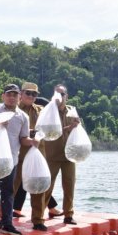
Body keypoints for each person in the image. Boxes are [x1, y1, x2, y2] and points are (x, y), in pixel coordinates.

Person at [0, 84, 38, 235]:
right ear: (3, 96)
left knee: (8, 192)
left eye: (15, 95)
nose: (12, 97)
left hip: (11, 159)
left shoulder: (23, 116)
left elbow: (23, 138)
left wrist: (33, 141)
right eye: (9, 94)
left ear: (19, 97)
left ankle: (7, 223)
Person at [12, 82, 63, 220]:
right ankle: (3, 218)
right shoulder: (13, 110)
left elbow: (53, 118)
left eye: (34, 94)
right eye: (28, 93)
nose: (31, 96)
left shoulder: (41, 110)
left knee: (39, 188)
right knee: (11, 188)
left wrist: (56, 101)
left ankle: (38, 219)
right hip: (17, 155)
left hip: (38, 155)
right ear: (21, 94)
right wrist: (29, 132)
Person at [41, 84, 80, 227]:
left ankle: (68, 215)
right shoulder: (48, 112)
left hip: (70, 156)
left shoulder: (72, 111)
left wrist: (77, 126)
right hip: (51, 154)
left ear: (66, 97)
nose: (59, 97)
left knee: (69, 186)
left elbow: (78, 130)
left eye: (62, 94)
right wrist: (68, 128)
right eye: (57, 94)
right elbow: (49, 131)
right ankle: (39, 216)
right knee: (47, 186)